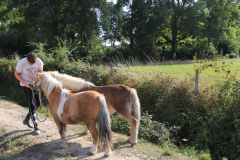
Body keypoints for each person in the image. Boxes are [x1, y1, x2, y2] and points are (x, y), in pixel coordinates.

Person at [14, 52, 44, 135]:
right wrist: (25, 83)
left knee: (38, 103)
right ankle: (36, 126)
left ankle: (27, 118)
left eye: (33, 63)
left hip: (36, 84)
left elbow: (40, 73)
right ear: (27, 59)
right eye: (30, 63)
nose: (31, 65)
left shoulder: (39, 62)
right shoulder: (21, 63)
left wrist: (35, 81)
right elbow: (16, 74)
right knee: (31, 104)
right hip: (25, 84)